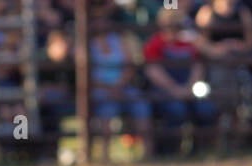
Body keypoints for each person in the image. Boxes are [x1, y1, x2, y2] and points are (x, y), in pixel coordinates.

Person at [143, 2, 216, 134]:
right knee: (176, 110)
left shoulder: (189, 42)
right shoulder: (155, 43)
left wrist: (188, 87)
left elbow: (198, 65)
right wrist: (174, 89)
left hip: (188, 88)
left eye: (177, 25)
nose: (173, 29)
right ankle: (170, 148)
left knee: (205, 108)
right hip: (165, 91)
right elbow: (152, 71)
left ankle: (201, 147)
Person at [89, 5, 152, 154]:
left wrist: (118, 86)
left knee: (140, 104)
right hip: (100, 89)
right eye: (98, 20)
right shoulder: (87, 44)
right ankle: (104, 154)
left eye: (105, 19)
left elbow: (130, 67)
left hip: (122, 87)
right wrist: (108, 88)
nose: (102, 23)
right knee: (106, 107)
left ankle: (148, 152)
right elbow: (86, 75)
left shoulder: (118, 40)